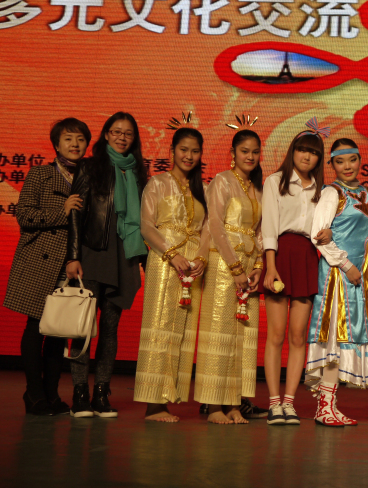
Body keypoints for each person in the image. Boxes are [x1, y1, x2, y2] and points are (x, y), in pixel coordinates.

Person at [4, 118, 91, 415]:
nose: (75, 144)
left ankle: (52, 394)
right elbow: (24, 215)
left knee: (58, 331)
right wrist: (61, 211)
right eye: (68, 138)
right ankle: (34, 393)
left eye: (80, 139)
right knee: (35, 327)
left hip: (71, 264)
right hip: (38, 262)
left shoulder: (89, 177)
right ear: (56, 144)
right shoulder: (40, 174)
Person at [66, 112, 149, 418]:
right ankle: (79, 393)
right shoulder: (90, 167)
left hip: (124, 256)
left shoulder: (138, 172)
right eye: (116, 132)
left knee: (110, 329)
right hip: (93, 254)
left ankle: (101, 392)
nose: (122, 137)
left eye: (128, 133)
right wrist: (73, 256)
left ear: (134, 138)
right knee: (83, 327)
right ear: (106, 134)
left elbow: (145, 220)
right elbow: (76, 213)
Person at [133, 125, 208, 422]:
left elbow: (207, 229)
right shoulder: (157, 183)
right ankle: (153, 404)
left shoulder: (202, 189)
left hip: (192, 267)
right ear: (172, 151)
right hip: (165, 262)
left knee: (183, 331)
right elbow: (146, 226)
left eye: (195, 151)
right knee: (160, 326)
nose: (189, 156)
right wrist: (172, 255)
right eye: (183, 150)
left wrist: (201, 257)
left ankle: (168, 397)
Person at [261, 119, 330, 425]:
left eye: (313, 153)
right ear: (292, 151)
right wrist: (271, 267)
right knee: (276, 334)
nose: (307, 156)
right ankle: (273, 402)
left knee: (298, 336)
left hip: (306, 256)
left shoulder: (322, 190)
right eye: (302, 150)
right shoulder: (275, 181)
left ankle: (289, 402)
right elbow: (269, 226)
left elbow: (323, 227)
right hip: (280, 254)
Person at [305, 138, 368, 426]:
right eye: (340, 161)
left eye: (352, 160)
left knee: (345, 338)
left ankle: (330, 406)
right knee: (333, 340)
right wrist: (346, 266)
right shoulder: (331, 193)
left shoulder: (364, 192)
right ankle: (324, 407)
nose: (347, 166)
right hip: (338, 275)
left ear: (360, 160)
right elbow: (318, 235)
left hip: (358, 276)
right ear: (332, 164)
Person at [194, 128, 264, 424]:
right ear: (233, 153)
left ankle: (233, 402)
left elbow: (259, 231)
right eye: (244, 151)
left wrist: (258, 265)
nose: (250, 156)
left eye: (255, 152)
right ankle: (213, 406)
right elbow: (215, 225)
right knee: (220, 333)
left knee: (242, 337)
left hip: (248, 266)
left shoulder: (257, 188)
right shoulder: (222, 181)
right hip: (225, 265)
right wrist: (235, 268)